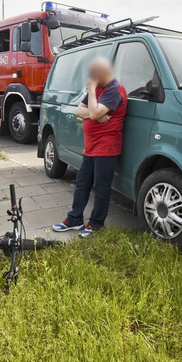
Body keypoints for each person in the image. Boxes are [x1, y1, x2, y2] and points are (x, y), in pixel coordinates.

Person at [53, 57, 127, 238]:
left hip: (107, 147)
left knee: (101, 188)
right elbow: (79, 111)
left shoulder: (114, 90)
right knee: (82, 183)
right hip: (91, 146)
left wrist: (92, 92)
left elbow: (92, 111)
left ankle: (96, 224)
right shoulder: (99, 88)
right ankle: (74, 219)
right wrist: (93, 114)